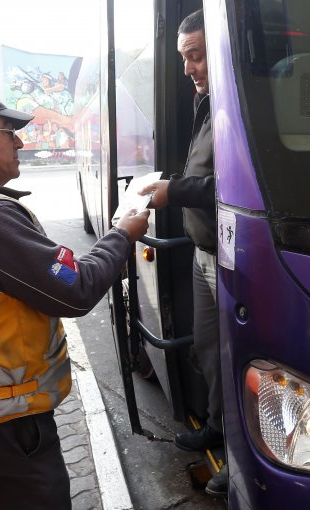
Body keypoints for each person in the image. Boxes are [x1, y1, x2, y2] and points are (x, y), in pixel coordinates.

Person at [0, 86, 150, 509]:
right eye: (9, 132)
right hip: (3, 420)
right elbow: (73, 290)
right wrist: (122, 233)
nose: (20, 142)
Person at [138, 9, 227, 496]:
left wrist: (173, 190)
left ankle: (239, 460)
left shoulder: (238, 106)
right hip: (202, 251)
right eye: (185, 58)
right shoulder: (206, 102)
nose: (189, 68)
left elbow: (236, 183)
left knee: (236, 359)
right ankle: (216, 426)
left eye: (196, 57)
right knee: (208, 351)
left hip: (232, 257)